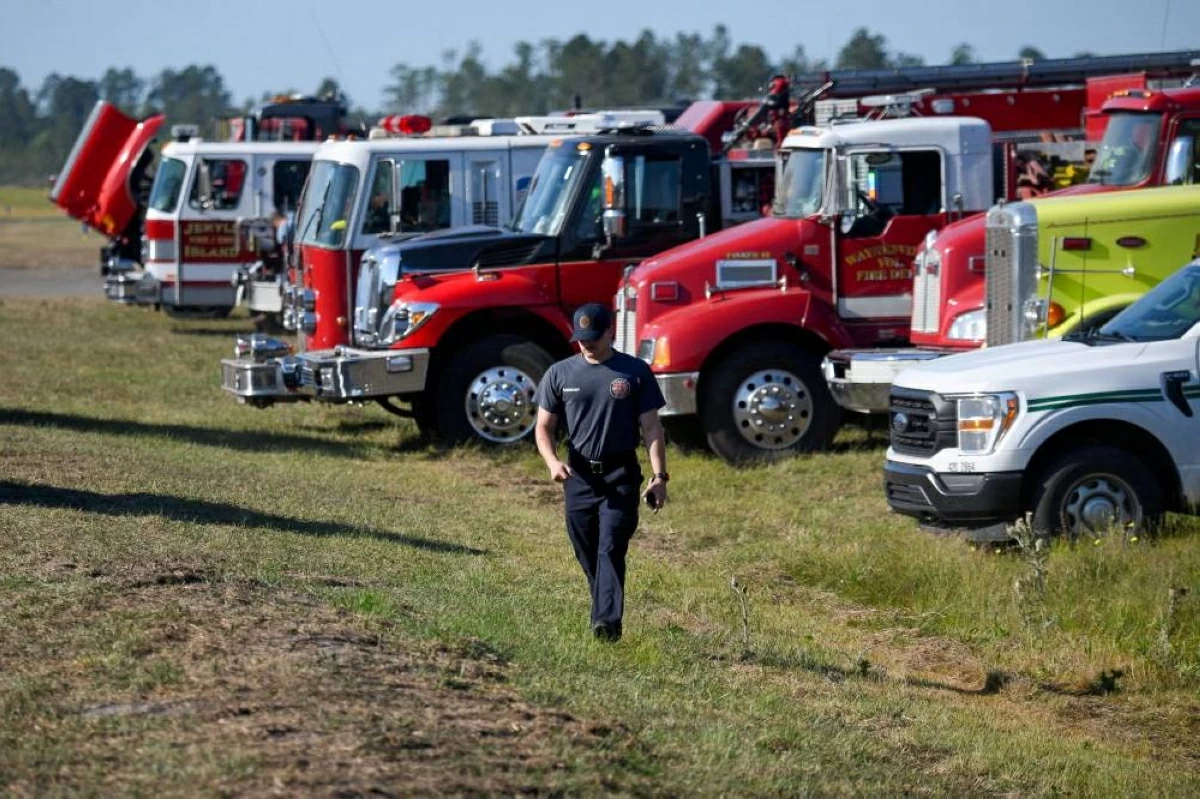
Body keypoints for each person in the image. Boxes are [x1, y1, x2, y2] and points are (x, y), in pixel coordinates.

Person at [534, 303, 669, 642]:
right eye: (581, 339)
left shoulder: (634, 372)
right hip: (578, 476)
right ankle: (604, 606)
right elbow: (543, 428)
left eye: (593, 337)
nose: (587, 345)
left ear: (610, 331)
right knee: (586, 549)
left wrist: (659, 477)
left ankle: (606, 624)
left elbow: (652, 428)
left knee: (610, 546)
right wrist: (552, 462)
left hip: (620, 476)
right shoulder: (559, 374)